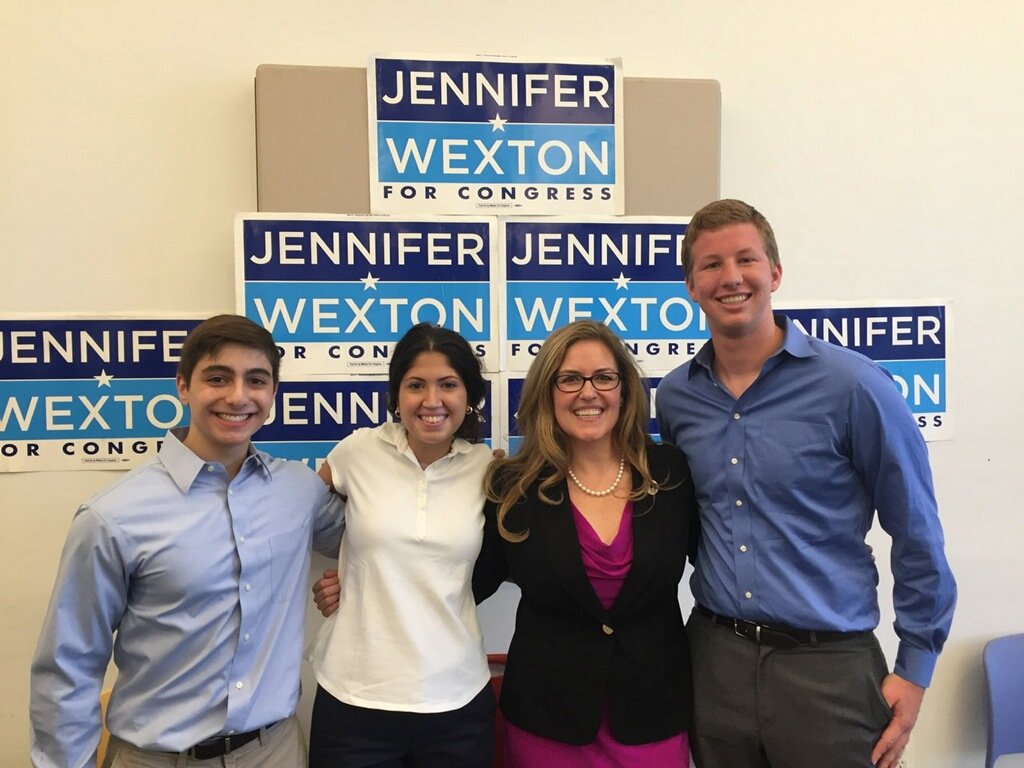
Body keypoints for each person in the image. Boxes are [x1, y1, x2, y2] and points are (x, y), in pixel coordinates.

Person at [655, 199, 957, 768]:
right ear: (690, 285)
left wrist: (915, 670)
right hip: (715, 662)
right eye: (711, 265)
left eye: (746, 259)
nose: (731, 277)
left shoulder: (854, 387)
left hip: (830, 671)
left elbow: (916, 530)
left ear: (775, 272)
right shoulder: (676, 398)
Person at [30, 314, 346, 768]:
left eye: (256, 380)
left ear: (272, 394)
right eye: (218, 378)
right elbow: (68, 667)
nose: (238, 396)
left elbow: (377, 543)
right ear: (183, 386)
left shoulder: (299, 490)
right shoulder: (113, 515)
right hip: (154, 758)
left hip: (275, 752)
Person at [473, 319, 699, 767]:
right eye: (570, 379)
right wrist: (365, 580)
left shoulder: (670, 472)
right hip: (547, 722)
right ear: (547, 392)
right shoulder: (512, 487)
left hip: (651, 716)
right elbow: (461, 579)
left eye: (604, 377)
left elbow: (728, 549)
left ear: (625, 389)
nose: (588, 392)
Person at [307, 322, 496, 768]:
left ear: (469, 396)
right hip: (354, 700)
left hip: (456, 702)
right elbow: (296, 519)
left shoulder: (487, 469)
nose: (432, 401)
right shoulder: (358, 451)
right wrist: (341, 573)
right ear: (396, 396)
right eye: (416, 385)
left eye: (448, 384)